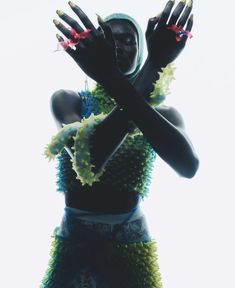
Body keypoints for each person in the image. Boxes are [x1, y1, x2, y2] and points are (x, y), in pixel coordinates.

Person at [41, 0, 199, 287]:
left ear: (140, 52)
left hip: (131, 246)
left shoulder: (163, 115)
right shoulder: (69, 100)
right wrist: (153, 65)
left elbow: (188, 166)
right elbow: (89, 160)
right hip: (75, 241)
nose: (118, 46)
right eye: (109, 39)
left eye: (128, 40)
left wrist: (123, 74)